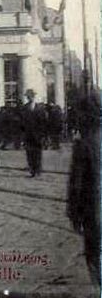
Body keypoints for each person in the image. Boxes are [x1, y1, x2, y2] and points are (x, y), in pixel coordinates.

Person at [67, 93, 100, 287]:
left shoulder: (83, 144)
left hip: (94, 213)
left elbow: (76, 184)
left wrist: (73, 213)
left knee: (95, 253)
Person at [22, 89, 46, 177]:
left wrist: (43, 135)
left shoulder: (40, 108)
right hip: (28, 135)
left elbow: (43, 122)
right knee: (29, 154)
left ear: (33, 97)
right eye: (28, 96)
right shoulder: (24, 108)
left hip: (38, 135)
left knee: (38, 153)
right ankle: (32, 170)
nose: (29, 97)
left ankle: (38, 169)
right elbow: (22, 122)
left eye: (31, 96)